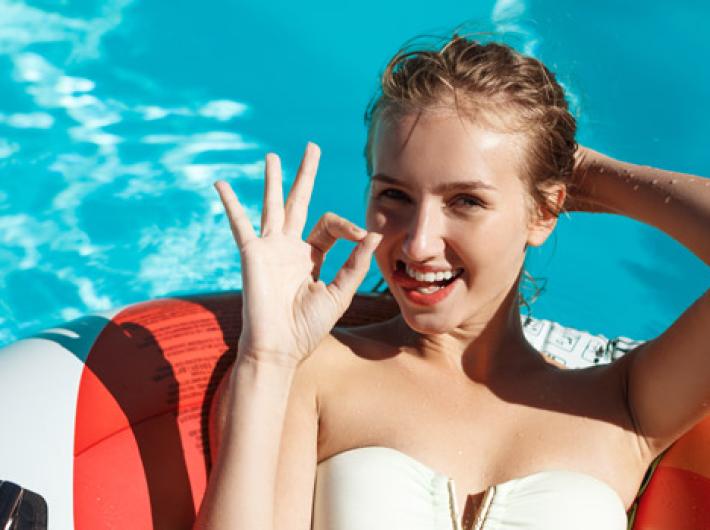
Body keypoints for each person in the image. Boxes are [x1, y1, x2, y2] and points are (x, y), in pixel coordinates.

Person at [193, 34, 709, 530]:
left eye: (466, 201)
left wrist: (580, 169)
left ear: (547, 210)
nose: (418, 243)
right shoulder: (314, 377)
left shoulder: (624, 403)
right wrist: (267, 360)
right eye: (394, 195)